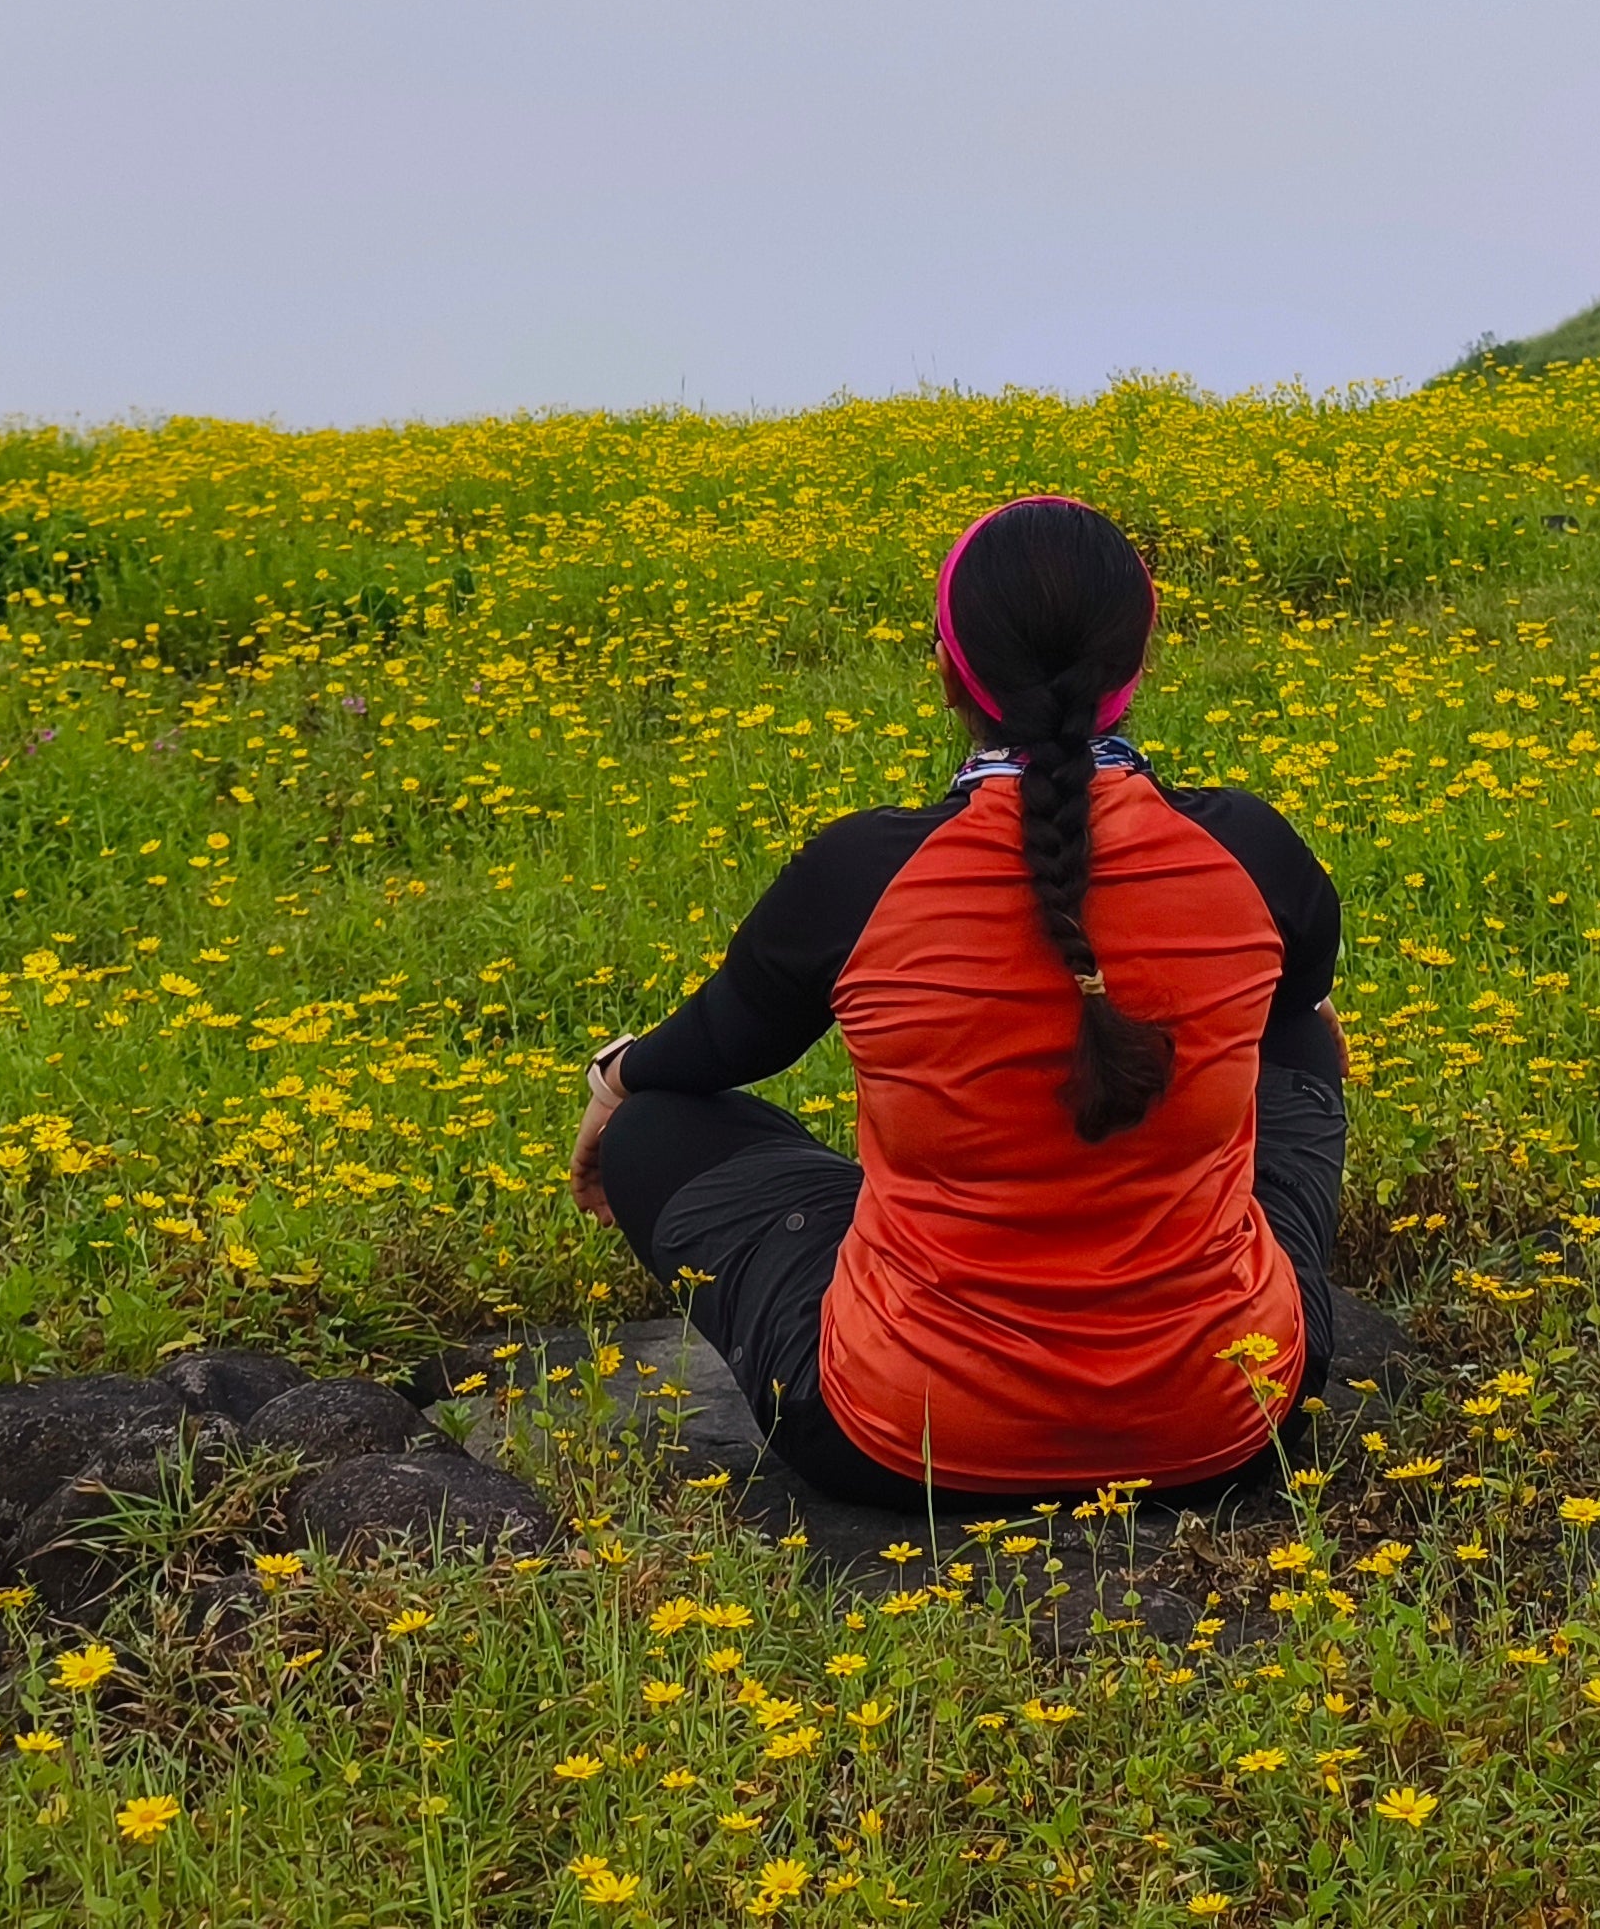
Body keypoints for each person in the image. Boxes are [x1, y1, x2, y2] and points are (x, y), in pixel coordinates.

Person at [570, 494, 1348, 1510]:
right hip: (1232, 1417)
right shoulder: (1250, 849)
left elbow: (712, 1048)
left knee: (656, 1125)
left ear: (945, 668)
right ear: (1138, 666)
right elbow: (1303, 1009)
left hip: (905, 1440)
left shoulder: (858, 873)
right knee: (1298, 1019)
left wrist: (613, 1078)